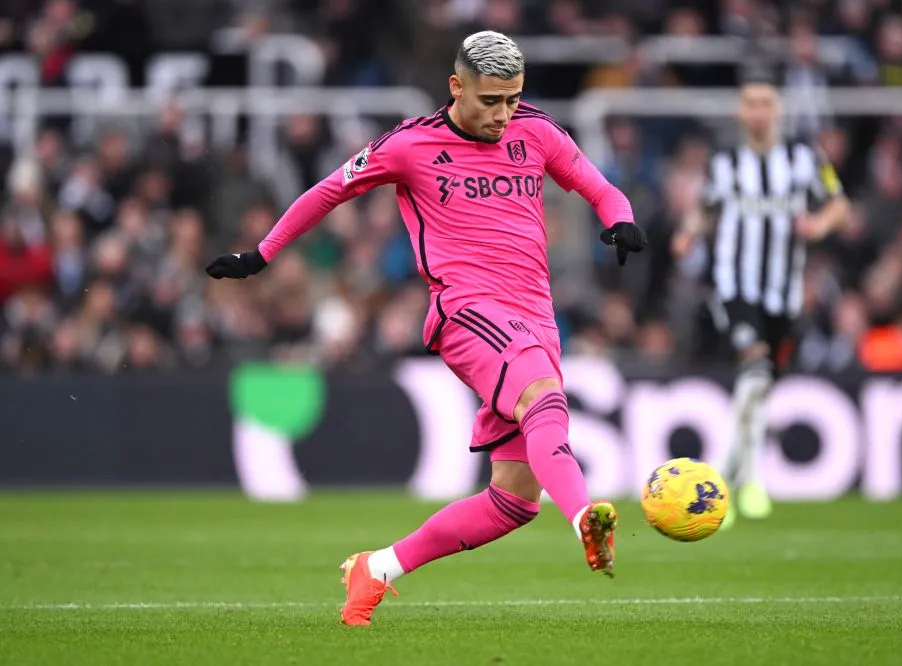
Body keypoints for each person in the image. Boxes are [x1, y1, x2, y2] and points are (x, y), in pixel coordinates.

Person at [206, 31, 647, 625]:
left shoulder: (536, 131)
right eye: (490, 100)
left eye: (512, 98)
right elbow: (328, 191)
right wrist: (262, 253)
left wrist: (620, 220)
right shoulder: (412, 145)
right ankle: (585, 518)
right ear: (456, 86)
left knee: (513, 501)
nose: (502, 113)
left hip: (534, 316)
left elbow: (598, 185)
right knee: (545, 398)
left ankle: (377, 568)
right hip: (467, 311)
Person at [676, 67, 849, 528]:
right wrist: (687, 234)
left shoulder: (803, 159)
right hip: (735, 287)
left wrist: (819, 225)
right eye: (750, 102)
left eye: (765, 102)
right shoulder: (725, 162)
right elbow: (704, 209)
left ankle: (730, 479)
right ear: (741, 109)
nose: (757, 111)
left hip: (784, 294)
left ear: (778, 109)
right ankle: (743, 482)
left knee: (758, 388)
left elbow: (838, 202)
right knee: (753, 371)